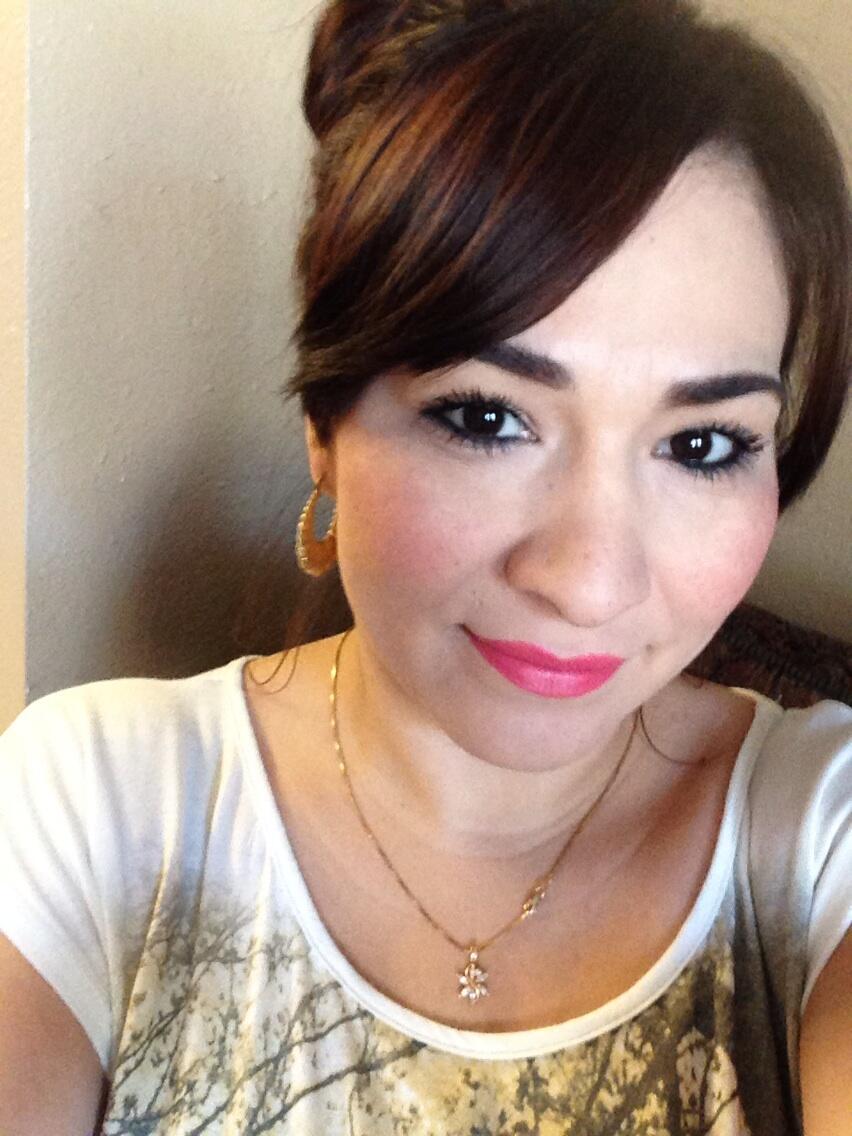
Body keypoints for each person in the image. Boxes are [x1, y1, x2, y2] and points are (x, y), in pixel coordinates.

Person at [1, 1, 850, 1132]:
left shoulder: (819, 837)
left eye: (701, 445)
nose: (588, 581)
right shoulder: (98, 812)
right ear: (325, 420)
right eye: (487, 416)